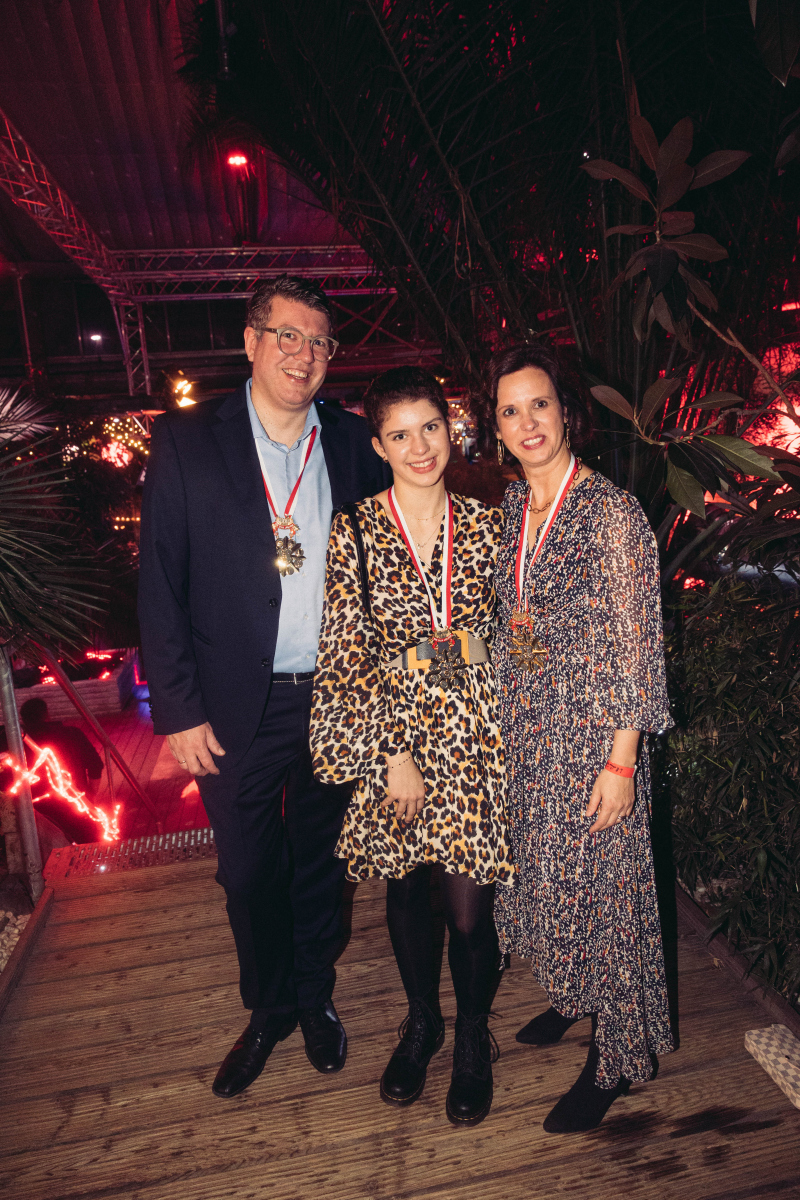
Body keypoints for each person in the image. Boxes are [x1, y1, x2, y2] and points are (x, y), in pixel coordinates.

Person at [138, 275, 389, 1099]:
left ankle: (313, 998)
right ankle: (268, 1007)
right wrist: (176, 709)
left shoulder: (352, 442)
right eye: (287, 335)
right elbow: (160, 583)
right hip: (232, 703)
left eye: (319, 341)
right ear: (250, 341)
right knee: (247, 873)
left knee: (321, 863)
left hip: (334, 695)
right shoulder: (186, 439)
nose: (302, 355)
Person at [474, 342, 674, 1133]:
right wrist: (417, 661)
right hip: (530, 733)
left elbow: (636, 641)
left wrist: (623, 760)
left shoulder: (609, 513)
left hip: (595, 738)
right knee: (553, 881)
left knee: (608, 896)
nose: (527, 422)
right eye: (510, 410)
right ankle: (574, 995)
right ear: (495, 427)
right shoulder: (511, 510)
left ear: (567, 412)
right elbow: (505, 627)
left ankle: (618, 1055)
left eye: (540, 404)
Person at [310, 367, 513, 1127]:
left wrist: (441, 654)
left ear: (450, 427)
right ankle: (422, 1020)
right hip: (392, 736)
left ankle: (471, 1036)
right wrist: (393, 754)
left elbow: (513, 636)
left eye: (430, 426)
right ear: (378, 446)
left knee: (469, 909)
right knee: (406, 891)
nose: (420, 446)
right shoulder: (356, 530)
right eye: (400, 434)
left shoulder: (490, 523)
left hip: (476, 735)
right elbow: (347, 651)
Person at [20, 698, 103, 844]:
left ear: (23, 720)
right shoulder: (71, 734)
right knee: (89, 844)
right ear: (47, 715)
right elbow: (96, 765)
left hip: (38, 812)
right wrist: (90, 794)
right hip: (76, 805)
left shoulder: (18, 745)